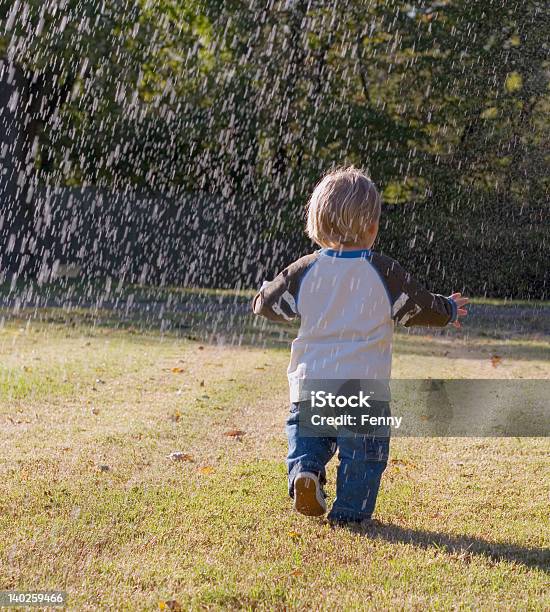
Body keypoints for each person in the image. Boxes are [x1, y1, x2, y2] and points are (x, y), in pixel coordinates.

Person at [252, 167, 469, 525]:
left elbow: (269, 305)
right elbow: (417, 307)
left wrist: (261, 298)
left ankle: (305, 470)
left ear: (316, 223)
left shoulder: (304, 270)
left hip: (311, 383)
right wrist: (446, 309)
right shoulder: (384, 272)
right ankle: (350, 512)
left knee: (310, 435)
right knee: (364, 454)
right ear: (372, 228)